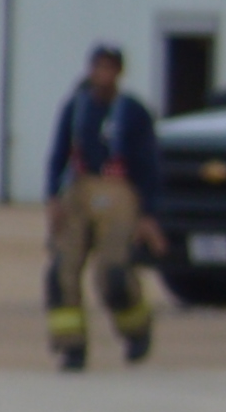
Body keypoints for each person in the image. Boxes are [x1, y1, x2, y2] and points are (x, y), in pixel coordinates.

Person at [42, 38, 160, 369]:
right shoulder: (76, 107)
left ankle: (136, 330)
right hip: (79, 191)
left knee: (112, 272)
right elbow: (58, 154)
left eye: (109, 68)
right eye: (97, 67)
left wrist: (149, 213)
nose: (102, 74)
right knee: (62, 270)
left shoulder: (134, 112)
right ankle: (71, 346)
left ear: (119, 72)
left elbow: (150, 166)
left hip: (120, 192)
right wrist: (53, 197)